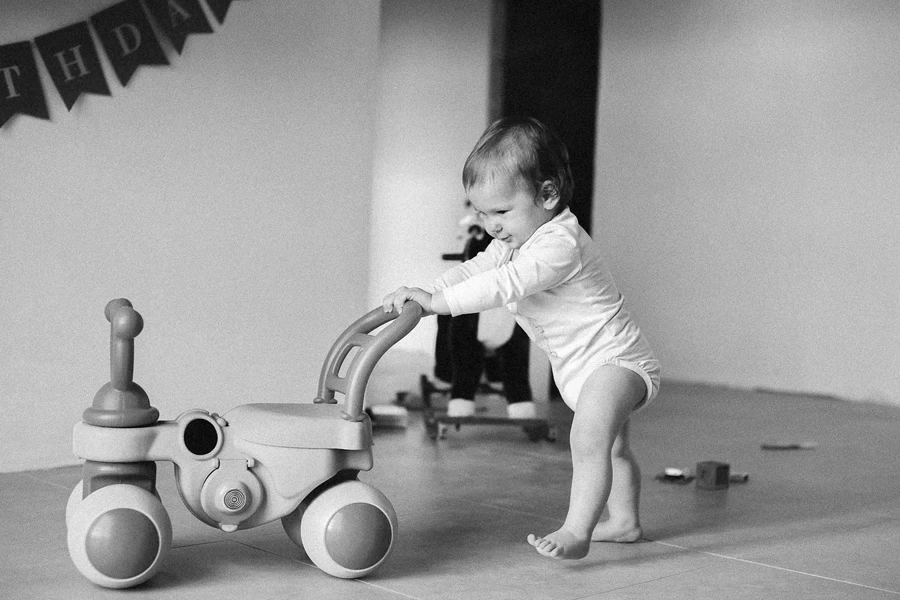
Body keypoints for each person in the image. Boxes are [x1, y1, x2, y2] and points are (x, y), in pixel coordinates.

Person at [382, 116, 660, 560]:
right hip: (579, 368)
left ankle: (577, 530)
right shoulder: (513, 242)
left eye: (501, 211)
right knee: (615, 448)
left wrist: (439, 305)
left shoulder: (559, 243)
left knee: (589, 440)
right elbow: (477, 269)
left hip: (616, 360)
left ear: (547, 195)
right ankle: (625, 522)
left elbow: (503, 285)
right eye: (480, 212)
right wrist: (430, 291)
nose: (491, 224)